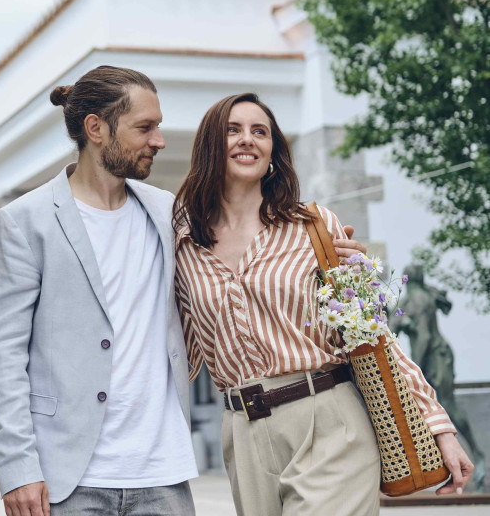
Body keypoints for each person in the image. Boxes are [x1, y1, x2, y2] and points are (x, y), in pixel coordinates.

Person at [173, 93, 474, 516]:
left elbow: (371, 334)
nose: (248, 140)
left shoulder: (313, 227)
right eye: (232, 130)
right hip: (242, 433)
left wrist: (438, 426)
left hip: (329, 422)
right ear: (208, 146)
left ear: (273, 151)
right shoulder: (183, 244)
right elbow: (177, 355)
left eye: (260, 132)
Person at [0, 66, 200, 516]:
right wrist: (18, 467)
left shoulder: (169, 213)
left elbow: (242, 249)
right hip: (68, 481)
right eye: (145, 127)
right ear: (95, 128)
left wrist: (327, 246)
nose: (159, 140)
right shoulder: (23, 222)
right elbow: (1, 354)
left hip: (162, 473)